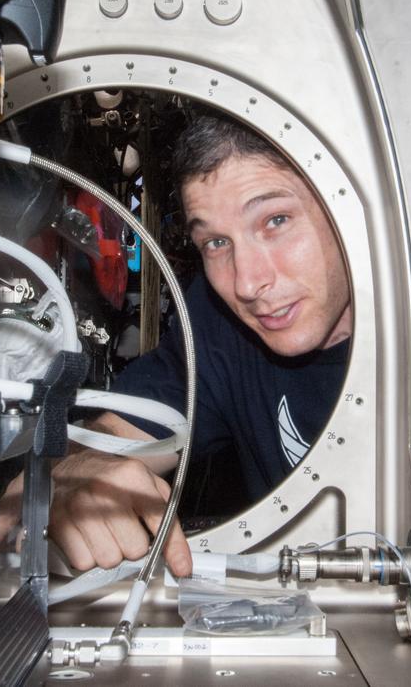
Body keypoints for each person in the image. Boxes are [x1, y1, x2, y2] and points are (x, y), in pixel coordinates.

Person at [42, 114, 352, 579]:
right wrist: (72, 473)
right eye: (216, 242)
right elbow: (112, 436)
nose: (247, 282)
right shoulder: (219, 321)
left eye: (276, 221)